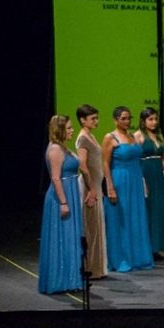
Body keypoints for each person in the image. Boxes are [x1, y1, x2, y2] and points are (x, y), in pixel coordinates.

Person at [102, 106, 154, 272]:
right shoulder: (110, 138)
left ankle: (138, 257)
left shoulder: (133, 136)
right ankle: (121, 258)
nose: (127, 121)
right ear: (115, 120)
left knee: (136, 217)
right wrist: (109, 187)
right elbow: (105, 163)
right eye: (123, 118)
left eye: (129, 118)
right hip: (120, 179)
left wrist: (143, 181)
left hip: (135, 181)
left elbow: (139, 161)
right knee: (121, 220)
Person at [39, 115, 84, 294]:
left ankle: (70, 278)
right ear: (59, 130)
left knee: (70, 236)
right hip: (62, 195)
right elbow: (56, 178)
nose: (72, 131)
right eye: (69, 128)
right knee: (61, 237)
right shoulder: (55, 149)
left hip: (70, 192)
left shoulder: (63, 147)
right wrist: (64, 202)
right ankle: (60, 279)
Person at [134, 107, 164, 259]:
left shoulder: (159, 136)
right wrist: (140, 178)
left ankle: (156, 247)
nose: (154, 122)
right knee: (147, 209)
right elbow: (134, 157)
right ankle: (146, 247)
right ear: (143, 121)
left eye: (155, 119)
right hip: (146, 174)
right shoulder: (138, 136)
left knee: (158, 210)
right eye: (150, 119)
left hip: (158, 175)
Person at [74, 104, 107, 279]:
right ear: (82, 120)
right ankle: (89, 267)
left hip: (95, 184)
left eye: (96, 117)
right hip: (89, 186)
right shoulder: (82, 139)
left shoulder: (90, 136)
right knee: (90, 227)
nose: (96, 121)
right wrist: (92, 189)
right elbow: (83, 165)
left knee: (96, 226)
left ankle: (97, 267)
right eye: (93, 118)